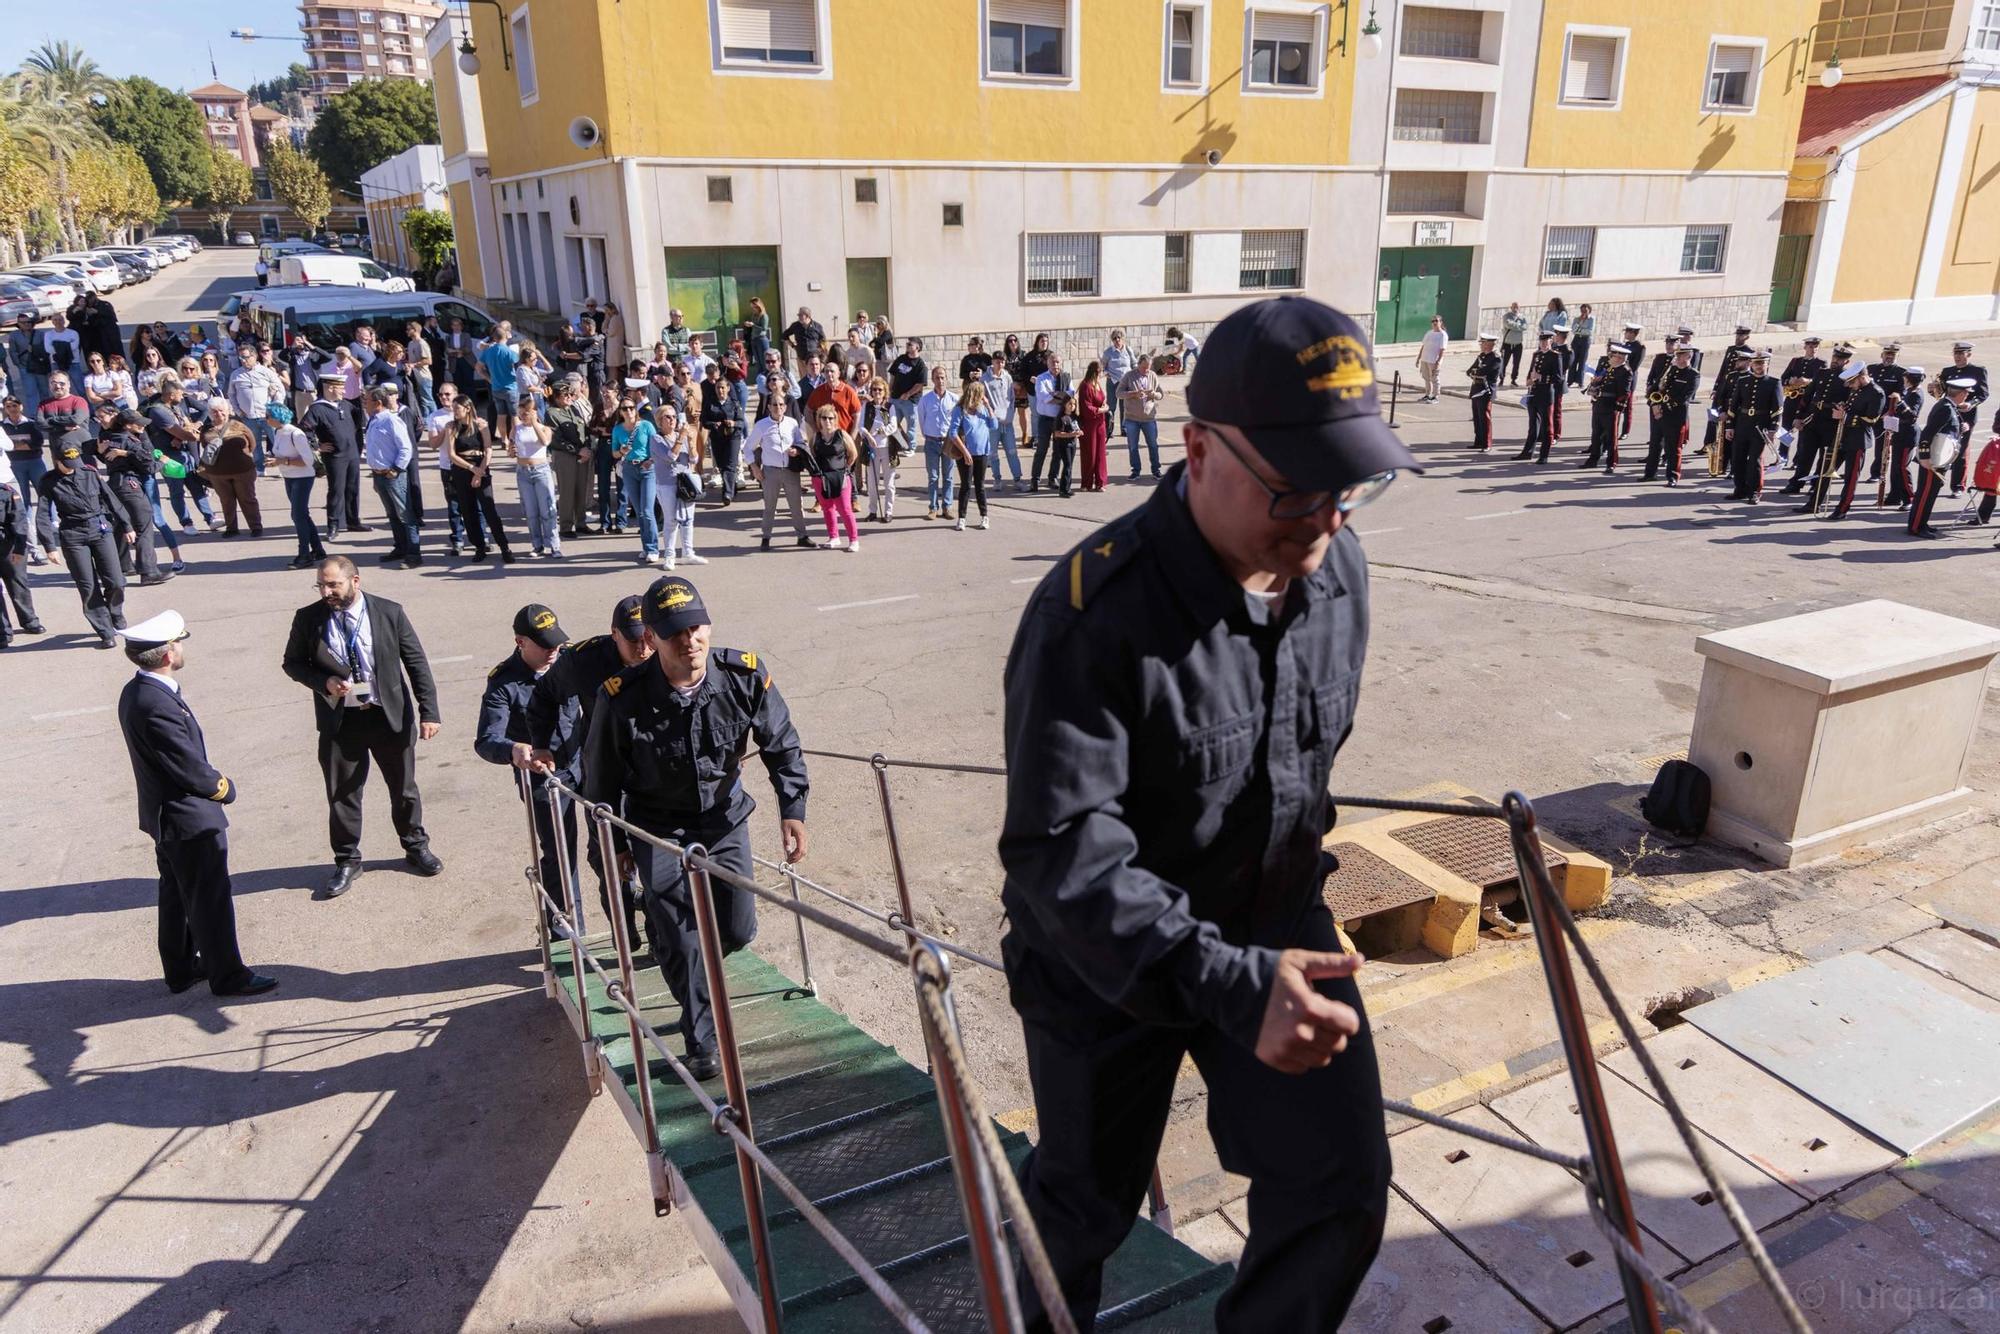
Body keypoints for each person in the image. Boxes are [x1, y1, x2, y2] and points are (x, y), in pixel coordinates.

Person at [999, 296, 1407, 1332]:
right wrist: (1221, 979)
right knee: (1081, 1210)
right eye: (1290, 487)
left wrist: (1264, 956)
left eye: (1345, 486)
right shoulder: (1089, 615)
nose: (1321, 514)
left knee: (1341, 1188)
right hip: (1104, 971)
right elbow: (1061, 852)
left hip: (1271, 925)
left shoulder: (1338, 574)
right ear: (1193, 448)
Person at [581, 575, 810, 1080]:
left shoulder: (744, 676)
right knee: (685, 934)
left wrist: (792, 808)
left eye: (696, 627)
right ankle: (701, 1037)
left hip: (724, 819)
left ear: (708, 624)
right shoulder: (622, 698)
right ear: (653, 641)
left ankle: (669, 938)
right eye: (675, 633)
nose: (690, 641)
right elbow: (601, 781)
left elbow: (781, 743)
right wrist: (615, 844)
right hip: (656, 826)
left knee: (736, 928)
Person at [116, 611, 277, 997]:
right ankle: (229, 976)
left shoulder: (138, 691)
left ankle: (181, 967)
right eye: (178, 642)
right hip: (188, 820)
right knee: (210, 900)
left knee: (176, 894)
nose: (181, 647)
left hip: (167, 819)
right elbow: (187, 766)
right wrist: (223, 789)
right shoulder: (156, 703)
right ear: (169, 653)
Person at [282, 556, 444, 899]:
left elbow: (416, 663)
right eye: (321, 585)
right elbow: (292, 664)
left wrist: (429, 712)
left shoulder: (389, 612)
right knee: (342, 794)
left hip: (389, 718)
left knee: (404, 788)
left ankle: (415, 846)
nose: (327, 592)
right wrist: (323, 681)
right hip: (341, 722)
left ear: (355, 581)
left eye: (333, 585)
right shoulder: (308, 618)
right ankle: (347, 861)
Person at [525, 595, 653, 945]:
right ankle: (625, 936)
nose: (643, 648)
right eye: (633, 640)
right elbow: (544, 697)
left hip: (654, 772)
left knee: (658, 856)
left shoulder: (666, 650)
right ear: (614, 634)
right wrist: (541, 745)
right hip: (603, 774)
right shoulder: (584, 661)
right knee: (610, 861)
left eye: (648, 638)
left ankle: (659, 938)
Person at [478, 603, 575, 928]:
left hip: (586, 762)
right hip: (543, 777)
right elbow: (486, 740)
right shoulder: (504, 683)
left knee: (614, 840)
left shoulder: (570, 660)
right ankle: (565, 925)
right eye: (545, 646)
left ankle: (628, 902)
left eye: (557, 643)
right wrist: (514, 750)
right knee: (560, 854)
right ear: (520, 642)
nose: (554, 651)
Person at [36, 438, 126, 648]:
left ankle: (115, 613)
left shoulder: (89, 473)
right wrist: (49, 546)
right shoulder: (48, 481)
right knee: (88, 586)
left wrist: (127, 526)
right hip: (73, 535)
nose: (72, 469)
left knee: (116, 581)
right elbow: (42, 514)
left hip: (100, 528)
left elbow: (110, 498)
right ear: (56, 460)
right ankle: (105, 631)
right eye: (67, 465)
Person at [98, 408, 172, 584]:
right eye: (139, 424)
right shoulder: (131, 441)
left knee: (121, 525)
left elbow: (93, 449)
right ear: (128, 425)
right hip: (130, 485)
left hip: (114, 486)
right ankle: (148, 572)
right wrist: (162, 462)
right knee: (143, 527)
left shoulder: (111, 438)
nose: (142, 427)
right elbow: (149, 467)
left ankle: (123, 566)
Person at [445, 394, 516, 563]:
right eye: (453, 408)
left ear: (467, 408)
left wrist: (480, 471)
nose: (454, 411)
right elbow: (451, 454)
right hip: (462, 469)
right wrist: (471, 468)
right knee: (468, 511)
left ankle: (504, 547)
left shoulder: (481, 425)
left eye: (457, 408)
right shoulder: (451, 426)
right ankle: (479, 546)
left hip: (481, 466)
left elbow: (488, 449)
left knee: (489, 509)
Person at [1820, 357, 1886, 521]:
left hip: (1858, 440)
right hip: (1844, 436)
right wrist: (1843, 408)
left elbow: (1871, 419)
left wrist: (1846, 416)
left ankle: (1842, 509)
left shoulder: (1876, 393)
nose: (1850, 386)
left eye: (1852, 382)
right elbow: (1852, 406)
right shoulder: (1858, 389)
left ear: (1861, 377)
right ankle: (1815, 502)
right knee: (1826, 470)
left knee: (1850, 478)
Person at [265, 403, 327, 570]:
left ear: (277, 417)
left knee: (298, 516)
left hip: (303, 478)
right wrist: (273, 458)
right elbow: (279, 453)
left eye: (268, 416)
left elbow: (308, 461)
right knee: (302, 515)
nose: (266, 419)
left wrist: (281, 461)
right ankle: (318, 550)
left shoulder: (296, 434)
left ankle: (304, 555)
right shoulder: (278, 432)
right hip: (290, 477)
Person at [364, 385, 421, 566]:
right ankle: (400, 547)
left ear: (378, 403)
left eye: (367, 401)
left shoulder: (391, 420)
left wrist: (396, 469)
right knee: (392, 514)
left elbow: (406, 448)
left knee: (405, 514)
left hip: (393, 475)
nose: (364, 404)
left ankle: (414, 553)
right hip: (379, 474)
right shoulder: (373, 421)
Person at [1910, 375, 1974, 538]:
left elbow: (1946, 431)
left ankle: (1922, 523)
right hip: (1932, 459)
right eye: (1966, 393)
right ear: (1960, 393)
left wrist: (1961, 428)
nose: (1967, 396)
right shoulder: (1946, 407)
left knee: (1931, 493)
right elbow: (1927, 433)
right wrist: (1924, 457)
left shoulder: (1950, 406)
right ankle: (1916, 527)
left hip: (1940, 459)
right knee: (1925, 493)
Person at [305, 368, 365, 539]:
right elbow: (305, 430)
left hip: (352, 453)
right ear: (330, 387)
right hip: (335, 457)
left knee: (353, 488)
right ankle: (333, 525)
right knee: (336, 491)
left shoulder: (346, 405)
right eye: (340, 388)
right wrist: (317, 445)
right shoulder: (317, 409)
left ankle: (353, 521)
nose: (344, 391)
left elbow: (357, 423)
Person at [610, 398, 663, 565]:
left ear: (636, 409)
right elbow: (614, 454)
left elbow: (657, 446)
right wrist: (621, 450)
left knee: (647, 510)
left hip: (647, 468)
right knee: (639, 511)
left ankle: (653, 548)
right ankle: (646, 546)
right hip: (629, 469)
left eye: (631, 407)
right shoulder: (617, 429)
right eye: (625, 408)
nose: (629, 411)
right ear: (620, 412)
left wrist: (651, 460)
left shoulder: (646, 425)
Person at [198, 402, 262, 537]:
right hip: (217, 473)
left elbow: (252, 443)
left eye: (222, 411)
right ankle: (231, 528)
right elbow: (204, 445)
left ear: (228, 411)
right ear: (210, 413)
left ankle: (256, 526)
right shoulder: (206, 429)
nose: (219, 414)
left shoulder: (238, 425)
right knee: (227, 501)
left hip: (243, 470)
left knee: (248, 499)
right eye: (215, 411)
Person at [1726, 349, 1781, 505]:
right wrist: (1730, 426)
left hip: (1760, 426)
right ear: (1751, 363)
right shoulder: (1743, 381)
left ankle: (1755, 491)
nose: (1758, 366)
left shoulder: (1773, 383)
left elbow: (1777, 409)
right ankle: (1740, 489)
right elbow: (1733, 405)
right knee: (1738, 458)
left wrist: (1773, 430)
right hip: (1742, 424)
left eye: (1761, 363)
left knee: (1755, 461)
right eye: (1756, 363)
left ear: (1766, 364)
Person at [2, 395, 51, 567]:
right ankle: (34, 550)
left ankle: (51, 523)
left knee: (44, 493)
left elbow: (37, 442)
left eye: (14, 405)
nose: (12, 409)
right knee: (23, 505)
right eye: (8, 406)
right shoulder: (3, 426)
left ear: (20, 406)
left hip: (34, 462)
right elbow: (11, 447)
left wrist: (18, 446)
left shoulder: (29, 423)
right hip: (15, 467)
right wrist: (21, 445)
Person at [807, 403, 861, 551]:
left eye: (831, 418)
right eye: (824, 418)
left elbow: (853, 454)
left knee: (845, 509)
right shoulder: (815, 437)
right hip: (822, 478)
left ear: (835, 419)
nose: (827, 421)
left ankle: (854, 540)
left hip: (840, 477)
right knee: (827, 508)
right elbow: (812, 455)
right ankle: (833, 537)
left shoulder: (842, 435)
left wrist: (844, 469)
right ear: (819, 420)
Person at [513, 393, 560, 559]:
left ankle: (554, 545)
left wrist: (534, 423)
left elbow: (545, 442)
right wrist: (511, 451)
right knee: (531, 512)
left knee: (547, 509)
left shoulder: (545, 428)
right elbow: (514, 448)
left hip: (540, 470)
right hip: (523, 471)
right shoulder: (517, 428)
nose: (525, 415)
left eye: (528, 411)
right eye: (522, 411)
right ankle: (537, 545)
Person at [1646, 346, 1701, 487]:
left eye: (1680, 355)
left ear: (1688, 357)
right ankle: (1649, 474)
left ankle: (1673, 476)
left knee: (1672, 448)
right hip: (1659, 413)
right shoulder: (1670, 370)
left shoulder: (1693, 375)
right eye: (1677, 355)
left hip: (1675, 415)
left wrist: (1664, 404)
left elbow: (1685, 397)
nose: (1677, 357)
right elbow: (1655, 389)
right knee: (1654, 445)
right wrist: (1654, 404)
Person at [947, 378, 997, 532]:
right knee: (966, 485)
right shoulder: (960, 410)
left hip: (981, 452)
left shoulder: (982, 410)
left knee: (980, 486)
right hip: (966, 453)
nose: (983, 397)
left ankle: (984, 516)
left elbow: (993, 425)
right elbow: (953, 433)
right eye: (981, 395)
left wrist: (988, 406)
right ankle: (962, 518)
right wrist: (965, 451)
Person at [660, 404, 708, 568]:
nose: (672, 420)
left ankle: (688, 552)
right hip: (667, 484)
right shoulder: (656, 438)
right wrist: (681, 437)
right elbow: (671, 456)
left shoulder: (681, 435)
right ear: (660, 421)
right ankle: (669, 555)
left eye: (674, 417)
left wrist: (690, 440)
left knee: (688, 519)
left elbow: (694, 459)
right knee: (671, 520)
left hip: (686, 482)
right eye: (667, 417)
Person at [0, 465, 41, 645]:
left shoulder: (6, 493)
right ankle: (3, 633)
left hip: (7, 547)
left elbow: (19, 522)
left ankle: (29, 621)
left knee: (18, 583)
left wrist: (19, 549)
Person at [698, 360, 747, 504]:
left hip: (733, 437)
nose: (721, 391)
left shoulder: (734, 404)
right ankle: (732, 488)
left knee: (730, 465)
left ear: (728, 388)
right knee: (722, 465)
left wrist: (733, 423)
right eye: (718, 388)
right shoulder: (710, 403)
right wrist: (714, 424)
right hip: (717, 438)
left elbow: (741, 422)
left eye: (723, 388)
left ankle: (727, 494)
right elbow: (704, 421)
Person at [1945, 341, 1988, 496]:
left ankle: (1957, 486)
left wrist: (1970, 403)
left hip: (1966, 416)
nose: (1957, 357)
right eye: (1955, 353)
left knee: (1961, 450)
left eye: (1961, 354)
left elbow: (1983, 393)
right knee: (1943, 446)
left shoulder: (1977, 371)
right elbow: (1943, 393)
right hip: (1948, 414)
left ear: (1968, 354)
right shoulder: (1947, 371)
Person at [856, 377, 903, 522]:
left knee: (889, 484)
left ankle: (888, 512)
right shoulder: (867, 406)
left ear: (884, 392)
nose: (877, 392)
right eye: (874, 389)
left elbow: (893, 426)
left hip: (888, 449)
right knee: (872, 483)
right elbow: (861, 426)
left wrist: (882, 431)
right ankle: (873, 511)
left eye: (880, 390)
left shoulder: (889, 407)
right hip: (871, 449)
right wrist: (868, 436)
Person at [917, 364, 960, 518]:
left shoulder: (955, 399)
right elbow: (921, 420)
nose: (940, 380)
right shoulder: (925, 400)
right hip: (931, 442)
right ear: (932, 380)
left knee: (948, 476)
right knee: (933, 476)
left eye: (942, 377)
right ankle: (933, 507)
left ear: (946, 379)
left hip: (949, 442)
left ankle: (947, 507)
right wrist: (928, 434)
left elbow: (957, 421)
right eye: (937, 378)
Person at [1583, 344, 1631, 473]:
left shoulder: (1624, 371)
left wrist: (1617, 408)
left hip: (1610, 407)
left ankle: (1611, 462)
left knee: (1611, 437)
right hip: (1599, 404)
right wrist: (1595, 384)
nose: (1610, 358)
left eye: (1613, 356)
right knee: (1596, 435)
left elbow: (1624, 393)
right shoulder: (1610, 368)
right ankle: (1593, 459)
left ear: (1620, 358)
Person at [1514, 333, 1560, 463]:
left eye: (1546, 342)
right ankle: (1527, 452)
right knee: (1533, 425)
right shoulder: (1536, 355)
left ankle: (1544, 455)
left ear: (1551, 342)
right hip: (1534, 392)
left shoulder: (1555, 356)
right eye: (1542, 342)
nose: (1544, 344)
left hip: (1546, 394)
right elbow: (1531, 371)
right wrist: (1529, 380)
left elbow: (1558, 378)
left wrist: (1541, 377)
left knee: (1546, 426)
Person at [982, 357, 1025, 489]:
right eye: (997, 362)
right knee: (993, 452)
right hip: (993, 422)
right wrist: (990, 413)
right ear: (993, 362)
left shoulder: (1007, 377)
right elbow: (982, 397)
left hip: (1007, 421)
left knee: (1012, 451)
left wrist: (1010, 414)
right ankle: (997, 480)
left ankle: (1017, 480)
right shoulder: (985, 378)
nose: (1000, 364)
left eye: (1002, 362)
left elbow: (1011, 398)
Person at [1030, 353, 1071, 492]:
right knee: (1041, 449)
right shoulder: (1041, 378)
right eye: (1053, 362)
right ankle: (1035, 479)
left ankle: (1052, 477)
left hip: (1059, 420)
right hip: (1045, 419)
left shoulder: (1066, 377)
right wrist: (1060, 397)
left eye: (1058, 362)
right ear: (1048, 363)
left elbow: (1070, 394)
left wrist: (1055, 396)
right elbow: (1043, 397)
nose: (1055, 365)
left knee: (1058, 450)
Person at [1886, 367, 1924, 509]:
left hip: (1908, 434)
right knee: (1895, 467)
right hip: (1900, 432)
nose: (1904, 380)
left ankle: (1909, 498)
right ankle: (1894, 496)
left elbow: (1911, 416)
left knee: (1902, 467)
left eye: (1906, 378)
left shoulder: (1917, 394)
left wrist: (1900, 401)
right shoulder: (1909, 391)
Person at [480, 322, 522, 442]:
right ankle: (515, 439)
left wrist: (489, 379)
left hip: (496, 388)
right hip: (511, 387)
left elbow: (478, 367)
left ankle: (504, 439)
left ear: (494, 337)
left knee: (501, 415)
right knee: (514, 416)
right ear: (506, 336)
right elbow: (518, 368)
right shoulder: (509, 352)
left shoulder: (488, 351)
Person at [887, 337, 928, 453]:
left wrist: (908, 394)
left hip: (910, 401)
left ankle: (911, 447)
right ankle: (902, 444)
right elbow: (893, 375)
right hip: (895, 398)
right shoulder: (901, 359)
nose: (908, 345)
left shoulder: (920, 365)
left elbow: (920, 384)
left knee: (911, 426)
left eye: (910, 344)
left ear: (917, 347)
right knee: (891, 423)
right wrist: (889, 390)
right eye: (907, 343)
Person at [1780, 337, 1826, 433]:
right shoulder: (1795, 361)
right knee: (1785, 430)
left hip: (1807, 401)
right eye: (1810, 347)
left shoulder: (1821, 363)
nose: (1813, 349)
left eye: (1816, 347)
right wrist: (1789, 381)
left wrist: (1808, 381)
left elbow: (1823, 382)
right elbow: (1783, 378)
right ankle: (1783, 448)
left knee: (1804, 431)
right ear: (1805, 347)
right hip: (1792, 399)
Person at [1077, 361, 1110, 492]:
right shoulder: (1086, 386)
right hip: (1089, 424)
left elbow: (1102, 400)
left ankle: (1101, 482)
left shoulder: (1097, 385)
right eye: (1100, 372)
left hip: (1100, 423)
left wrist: (1105, 406)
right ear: (1096, 372)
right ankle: (1086, 483)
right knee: (1089, 454)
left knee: (1100, 453)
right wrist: (1101, 410)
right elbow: (1087, 407)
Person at [1466, 333, 1500, 452]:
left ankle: (1487, 443)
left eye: (1483, 343)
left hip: (1486, 390)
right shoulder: (1481, 356)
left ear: (1488, 344)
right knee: (1476, 417)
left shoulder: (1495, 358)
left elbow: (1485, 371)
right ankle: (1478, 441)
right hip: (1476, 388)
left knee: (1484, 417)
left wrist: (1477, 372)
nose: (1481, 345)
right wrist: (1476, 372)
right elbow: (1469, 371)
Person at [1100, 330, 1136, 432]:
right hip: (1113, 382)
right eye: (1115, 338)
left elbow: (1134, 364)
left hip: (1126, 383)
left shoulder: (1128, 350)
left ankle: (1124, 429)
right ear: (1112, 340)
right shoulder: (1108, 352)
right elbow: (1102, 366)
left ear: (1123, 338)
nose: (1117, 340)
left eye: (1119, 337)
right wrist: (1106, 373)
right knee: (1111, 407)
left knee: (1124, 407)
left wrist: (1136, 375)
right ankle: (1109, 430)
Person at [1048, 391, 1082, 498]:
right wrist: (1071, 434)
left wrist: (1079, 432)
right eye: (1070, 404)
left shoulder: (1074, 417)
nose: (1072, 406)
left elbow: (1077, 427)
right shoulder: (1061, 418)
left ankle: (1068, 487)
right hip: (1064, 445)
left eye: (1074, 404)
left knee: (1070, 466)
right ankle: (1063, 489)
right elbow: (1057, 433)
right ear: (1064, 405)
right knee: (1067, 465)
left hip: (1072, 443)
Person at [1416, 316, 1447, 403]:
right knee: (1426, 378)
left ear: (1440, 322)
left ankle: (1435, 396)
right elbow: (1423, 346)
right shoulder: (1429, 333)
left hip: (1433, 360)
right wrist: (1418, 358)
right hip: (1425, 359)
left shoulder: (1443, 335)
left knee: (1434, 378)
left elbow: (1442, 349)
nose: (1434, 322)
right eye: (1433, 321)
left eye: (1436, 321)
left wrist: (1438, 361)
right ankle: (1427, 395)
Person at [782, 306, 825, 371]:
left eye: (800, 315)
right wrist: (793, 346)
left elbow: (823, 340)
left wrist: (820, 350)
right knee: (804, 379)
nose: (798, 317)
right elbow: (784, 336)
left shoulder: (817, 326)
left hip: (815, 358)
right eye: (798, 315)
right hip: (801, 358)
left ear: (807, 316)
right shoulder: (795, 326)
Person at [1567, 305, 1596, 388]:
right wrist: (1580, 323)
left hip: (1585, 340)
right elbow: (1573, 330)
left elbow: (1589, 331)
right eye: (1582, 311)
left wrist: (1579, 330)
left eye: (1585, 311)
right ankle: (1570, 380)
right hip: (1576, 340)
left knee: (1582, 361)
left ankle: (1580, 381)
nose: (1583, 313)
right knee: (1573, 360)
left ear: (1589, 311)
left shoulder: (1591, 319)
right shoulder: (1577, 319)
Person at [1499, 303, 1527, 385]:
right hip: (1507, 343)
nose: (1515, 308)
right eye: (1514, 306)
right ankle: (1501, 379)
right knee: (1504, 363)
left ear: (1519, 308)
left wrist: (1515, 325)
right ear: (1511, 307)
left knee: (1516, 363)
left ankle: (1514, 379)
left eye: (1517, 307)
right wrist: (1518, 326)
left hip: (1518, 344)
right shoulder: (1507, 316)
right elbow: (1508, 325)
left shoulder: (1522, 317)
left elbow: (1525, 327)